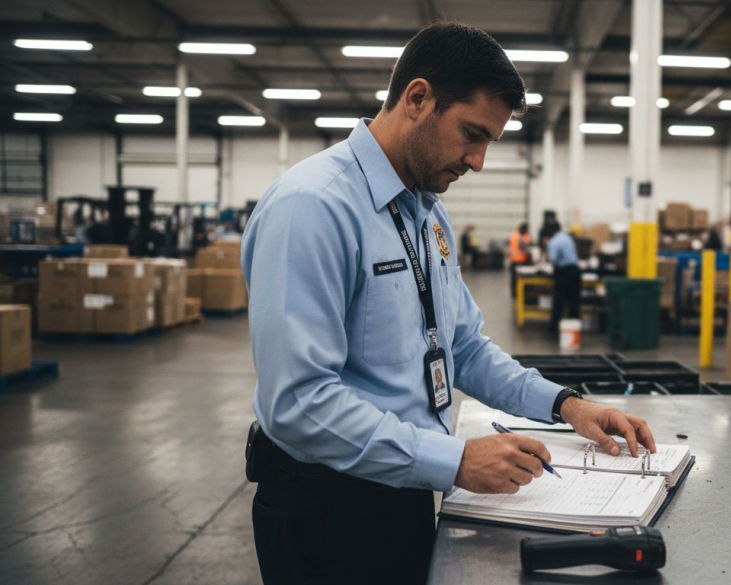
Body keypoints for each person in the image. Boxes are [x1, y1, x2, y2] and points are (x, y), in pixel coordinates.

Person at [241, 22, 657, 585]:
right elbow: (299, 403)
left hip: (406, 489)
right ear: (417, 99)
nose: (479, 160)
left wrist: (567, 405)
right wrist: (456, 460)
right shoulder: (313, 208)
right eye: (472, 134)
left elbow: (461, 345)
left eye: (488, 141)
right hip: (326, 511)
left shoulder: (426, 212)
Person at [546, 221, 581, 336]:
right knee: (574, 302)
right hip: (575, 271)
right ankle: (575, 331)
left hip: (564, 273)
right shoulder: (567, 237)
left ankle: (554, 330)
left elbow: (553, 259)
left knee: (558, 302)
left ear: (551, 231)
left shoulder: (554, 241)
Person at [508, 222, 531, 297]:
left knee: (514, 278)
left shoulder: (514, 234)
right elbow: (524, 246)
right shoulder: (520, 237)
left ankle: (515, 293)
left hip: (515, 260)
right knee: (518, 279)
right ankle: (516, 294)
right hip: (520, 261)